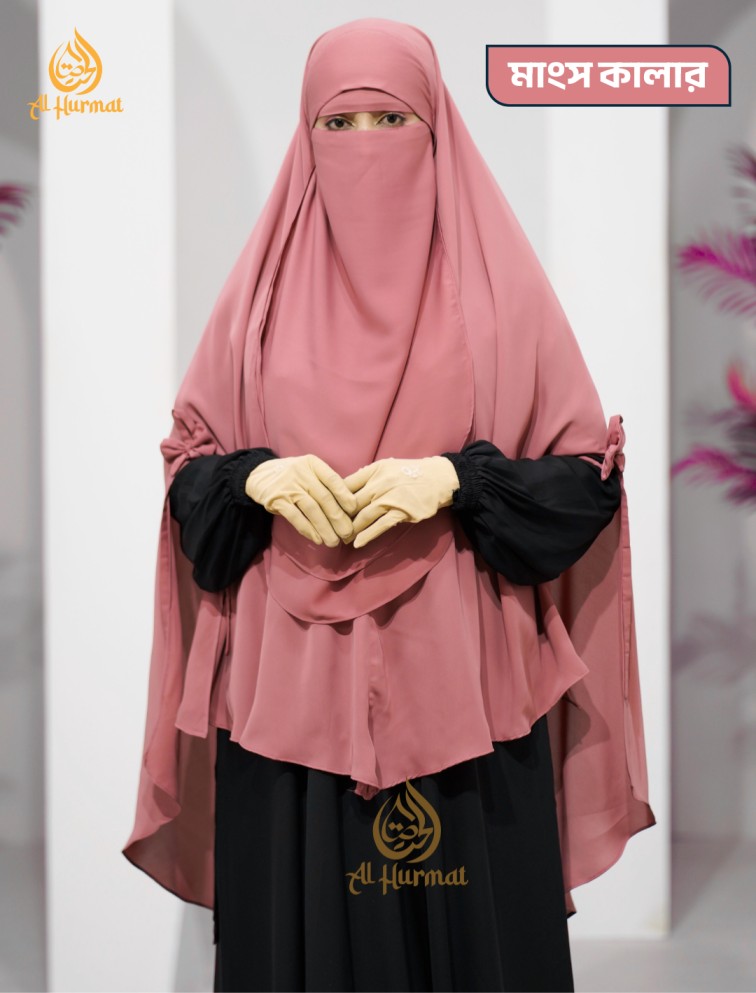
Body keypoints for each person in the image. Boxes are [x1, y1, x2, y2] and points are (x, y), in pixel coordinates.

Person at [122, 17, 656, 993]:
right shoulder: (258, 304)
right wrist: (255, 478)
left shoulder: (500, 298)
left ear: (436, 128)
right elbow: (190, 471)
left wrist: (455, 480)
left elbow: (584, 482)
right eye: (339, 123)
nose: (365, 144)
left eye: (391, 118)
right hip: (287, 711)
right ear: (305, 137)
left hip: (466, 706)